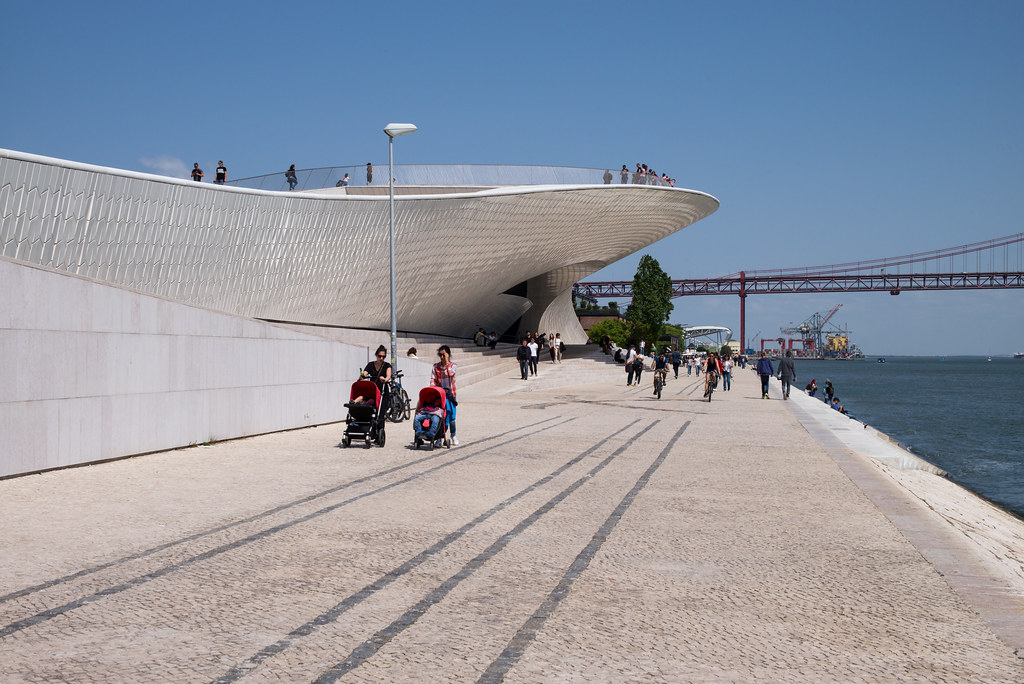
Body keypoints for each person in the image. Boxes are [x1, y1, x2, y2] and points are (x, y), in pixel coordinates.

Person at [430, 345, 458, 444]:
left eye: (444, 355)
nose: (441, 357)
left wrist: (447, 362)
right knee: (441, 417)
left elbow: (450, 374)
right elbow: (433, 379)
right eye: (440, 355)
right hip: (440, 396)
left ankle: (453, 434)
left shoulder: (453, 365)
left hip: (450, 395)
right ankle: (440, 437)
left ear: (448, 355)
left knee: (452, 418)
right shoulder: (435, 366)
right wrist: (433, 388)